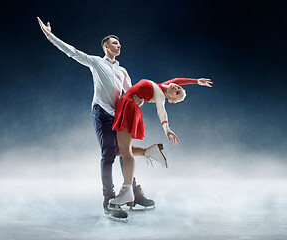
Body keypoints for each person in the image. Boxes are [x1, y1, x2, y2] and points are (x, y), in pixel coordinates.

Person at [36, 17, 166, 215]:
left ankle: (133, 193)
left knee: (124, 152)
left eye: (120, 43)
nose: (119, 45)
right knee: (108, 154)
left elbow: (131, 92)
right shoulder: (96, 62)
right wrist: (50, 35)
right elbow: (72, 52)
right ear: (106, 46)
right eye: (115, 42)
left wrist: (144, 98)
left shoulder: (122, 70)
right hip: (101, 112)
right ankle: (109, 199)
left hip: (119, 115)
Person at [109, 77, 213, 206]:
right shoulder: (161, 86)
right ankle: (149, 152)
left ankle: (127, 191)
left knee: (125, 152)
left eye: (177, 93)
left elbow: (161, 111)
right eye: (178, 88)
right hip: (125, 106)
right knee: (115, 151)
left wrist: (167, 128)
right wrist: (196, 81)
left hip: (128, 109)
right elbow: (177, 80)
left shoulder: (159, 94)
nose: (177, 88)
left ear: (169, 98)